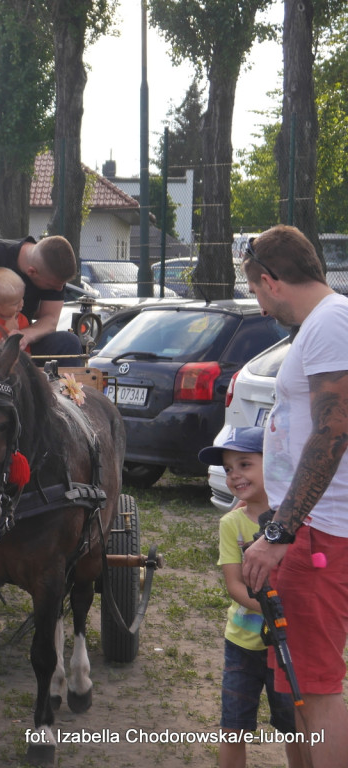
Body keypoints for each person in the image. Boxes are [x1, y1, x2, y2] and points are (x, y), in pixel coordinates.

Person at [240, 224, 348, 768]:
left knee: (318, 688)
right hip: (308, 530)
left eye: (257, 292)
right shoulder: (325, 323)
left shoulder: (330, 322)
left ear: (272, 280)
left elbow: (334, 429)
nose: (260, 308)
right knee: (300, 686)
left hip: (317, 533)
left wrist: (282, 531)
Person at [198, 427, 306, 768]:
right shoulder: (232, 524)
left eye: (244, 464)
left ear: (272, 464)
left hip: (290, 646)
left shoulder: (297, 521)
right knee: (233, 728)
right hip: (242, 646)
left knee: (297, 729)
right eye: (229, 469)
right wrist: (270, 610)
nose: (234, 475)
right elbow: (235, 586)